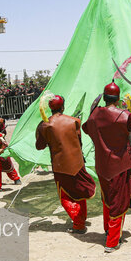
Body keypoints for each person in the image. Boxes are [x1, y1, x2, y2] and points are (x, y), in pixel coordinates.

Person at [83, 82, 131, 252]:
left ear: (104, 98)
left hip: (102, 165)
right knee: (117, 202)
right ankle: (112, 241)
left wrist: (94, 111)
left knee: (108, 198)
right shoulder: (123, 116)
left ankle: (108, 230)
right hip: (119, 166)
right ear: (118, 98)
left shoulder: (94, 116)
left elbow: (86, 128)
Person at [35, 95, 96, 233]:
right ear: (63, 107)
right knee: (79, 191)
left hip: (60, 165)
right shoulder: (74, 121)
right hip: (78, 161)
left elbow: (39, 146)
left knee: (65, 196)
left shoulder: (45, 124)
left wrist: (40, 130)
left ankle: (79, 223)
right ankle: (81, 220)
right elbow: (79, 142)